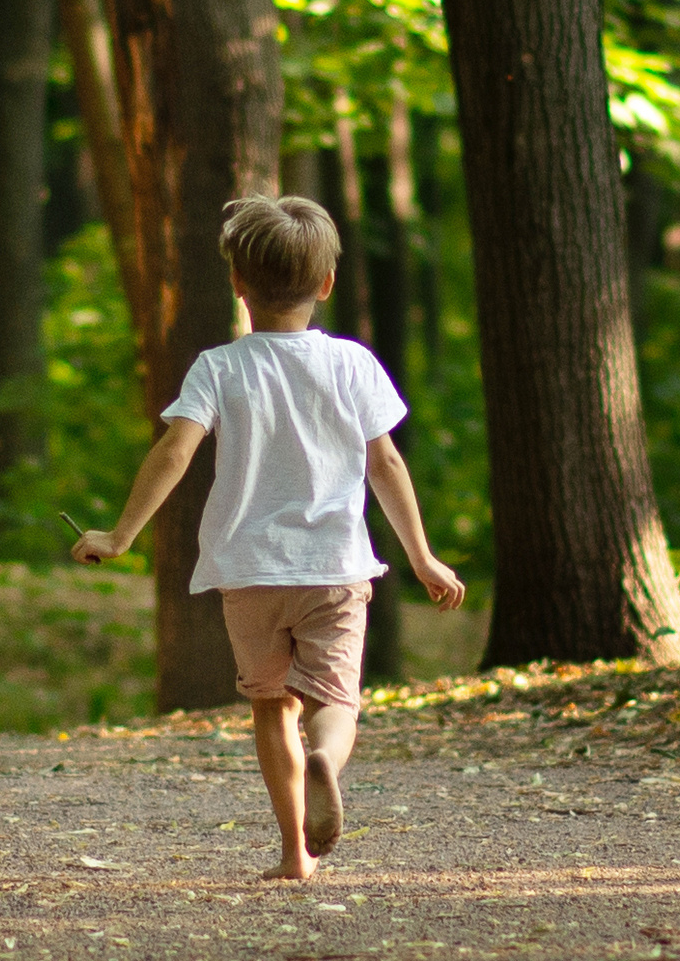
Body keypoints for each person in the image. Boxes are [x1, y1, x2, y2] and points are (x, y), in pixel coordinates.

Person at [71, 195, 466, 880]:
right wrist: (422, 556)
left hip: (249, 571)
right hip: (334, 567)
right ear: (326, 284)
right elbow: (386, 464)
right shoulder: (353, 364)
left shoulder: (219, 368)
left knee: (269, 705)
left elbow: (174, 452)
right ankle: (326, 758)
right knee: (335, 702)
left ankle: (294, 852)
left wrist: (121, 532)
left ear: (238, 285)